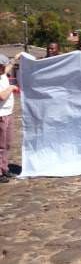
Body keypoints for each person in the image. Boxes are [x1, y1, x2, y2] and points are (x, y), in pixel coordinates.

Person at [0, 55, 18, 183]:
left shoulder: (2, 74)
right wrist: (11, 87)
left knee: (7, 144)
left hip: (8, 114)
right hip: (1, 116)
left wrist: (17, 57)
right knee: (0, 146)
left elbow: (10, 65)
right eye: (4, 65)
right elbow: (1, 96)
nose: (6, 67)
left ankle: (4, 168)